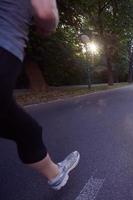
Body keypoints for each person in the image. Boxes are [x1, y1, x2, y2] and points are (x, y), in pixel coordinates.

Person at [0, 0, 80, 190]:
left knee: (27, 130)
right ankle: (56, 174)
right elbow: (46, 14)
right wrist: (48, 26)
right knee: (27, 130)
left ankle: (56, 175)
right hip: (4, 47)